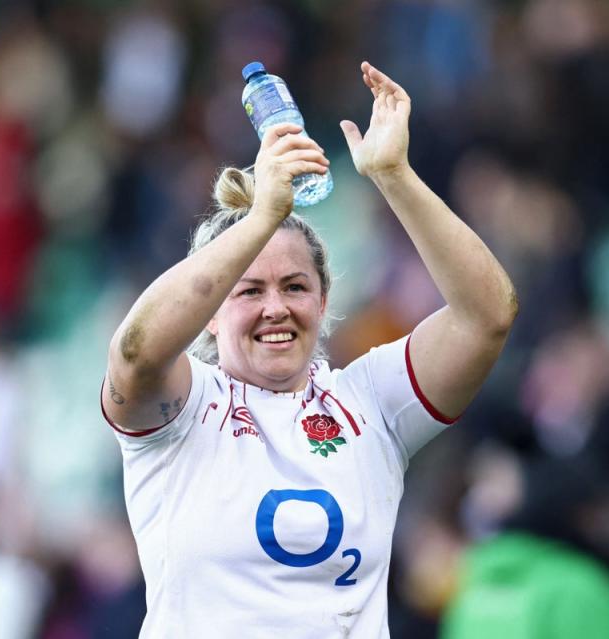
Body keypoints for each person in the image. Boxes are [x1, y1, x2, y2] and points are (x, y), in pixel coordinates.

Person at [101, 61, 518, 638]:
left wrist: (393, 174)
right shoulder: (181, 410)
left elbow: (488, 316)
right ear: (213, 314)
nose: (276, 307)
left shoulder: (370, 401)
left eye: (295, 286)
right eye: (249, 290)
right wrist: (265, 215)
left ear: (323, 303)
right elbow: (136, 351)